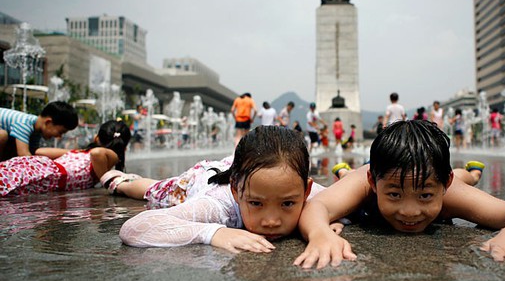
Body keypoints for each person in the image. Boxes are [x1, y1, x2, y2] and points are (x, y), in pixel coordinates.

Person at [293, 120, 505, 271]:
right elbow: (317, 206)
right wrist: (319, 233)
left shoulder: (450, 191)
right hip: (363, 174)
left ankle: (470, 173)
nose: (410, 211)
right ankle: (346, 172)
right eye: (394, 195)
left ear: (444, 186)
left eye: (426, 197)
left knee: (467, 180)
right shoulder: (366, 182)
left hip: (450, 178)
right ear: (374, 183)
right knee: (351, 181)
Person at [117, 126, 331, 253]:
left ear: (306, 191)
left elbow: (354, 196)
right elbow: (133, 229)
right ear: (236, 192)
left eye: (287, 204)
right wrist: (213, 232)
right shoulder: (219, 205)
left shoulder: (302, 189)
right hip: (201, 179)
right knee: (157, 189)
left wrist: (328, 220)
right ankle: (119, 180)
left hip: (241, 171)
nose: (271, 221)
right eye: (256, 203)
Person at [0, 120, 131, 195]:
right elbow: (96, 153)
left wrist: (73, 154)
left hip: (41, 167)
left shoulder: (78, 153)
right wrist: (107, 183)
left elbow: (40, 151)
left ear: (96, 138)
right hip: (51, 174)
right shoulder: (112, 156)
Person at [0, 101, 78, 161]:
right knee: (2, 135)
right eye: (60, 132)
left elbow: (33, 153)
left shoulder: (35, 129)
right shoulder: (24, 123)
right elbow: (24, 156)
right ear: (48, 122)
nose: (59, 137)